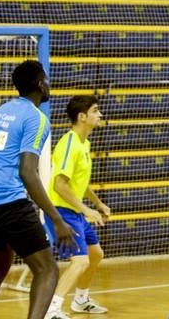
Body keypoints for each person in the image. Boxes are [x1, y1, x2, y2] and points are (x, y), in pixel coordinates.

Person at [0, 60, 75, 319]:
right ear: (41, 84)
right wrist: (56, 219)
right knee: (47, 269)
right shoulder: (36, 118)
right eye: (47, 79)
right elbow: (27, 171)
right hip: (9, 202)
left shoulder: (1, 111)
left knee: (0, 263)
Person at [44, 96, 109, 319]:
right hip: (61, 212)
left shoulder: (84, 142)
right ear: (82, 117)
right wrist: (87, 209)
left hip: (75, 211)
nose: (100, 115)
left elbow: (79, 181)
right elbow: (59, 185)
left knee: (96, 254)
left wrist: (97, 203)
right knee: (80, 261)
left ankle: (81, 300)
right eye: (95, 111)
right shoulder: (69, 144)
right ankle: (51, 309)